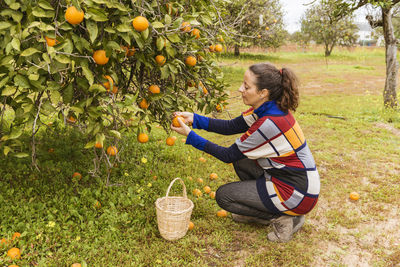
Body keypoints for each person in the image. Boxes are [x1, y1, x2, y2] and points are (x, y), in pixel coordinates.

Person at [171, 63, 320, 243]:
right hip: (292, 180)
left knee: (224, 196)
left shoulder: (270, 123)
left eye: (246, 86)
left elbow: (227, 155)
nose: (240, 89)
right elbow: (230, 126)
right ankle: (275, 211)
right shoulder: (267, 108)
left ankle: (283, 218)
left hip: (298, 193)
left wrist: (190, 136)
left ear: (263, 92)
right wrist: (194, 119)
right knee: (241, 160)